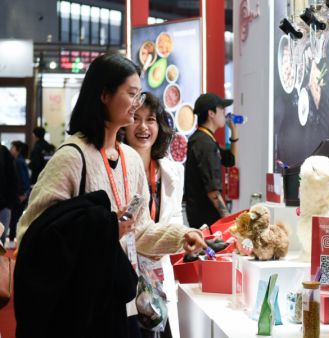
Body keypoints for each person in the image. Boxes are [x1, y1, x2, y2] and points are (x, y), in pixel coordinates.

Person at [16, 53, 205, 337]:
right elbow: (31, 233)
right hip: (80, 305)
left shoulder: (130, 160)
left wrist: (182, 236)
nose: (136, 103)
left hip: (120, 300)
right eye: (131, 94)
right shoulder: (71, 158)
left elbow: (140, 232)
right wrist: (102, 229)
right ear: (104, 94)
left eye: (139, 95)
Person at [123, 93, 180, 338]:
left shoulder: (172, 171)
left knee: (160, 330)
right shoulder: (117, 168)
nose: (143, 126)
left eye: (151, 119)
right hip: (126, 270)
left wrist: (172, 240)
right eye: (136, 118)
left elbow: (175, 215)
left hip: (159, 272)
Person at [184, 92, 239, 229]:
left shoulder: (204, 139)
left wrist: (234, 134)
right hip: (206, 219)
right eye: (222, 109)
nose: (225, 113)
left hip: (202, 216)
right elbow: (213, 191)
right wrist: (228, 221)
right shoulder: (204, 143)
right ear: (211, 113)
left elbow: (230, 161)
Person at [7, 141, 30, 249]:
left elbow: (23, 179)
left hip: (20, 195)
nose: (11, 149)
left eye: (12, 147)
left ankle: (13, 242)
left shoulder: (18, 162)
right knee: (16, 218)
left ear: (17, 149)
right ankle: (14, 241)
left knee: (15, 218)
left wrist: (23, 194)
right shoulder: (19, 161)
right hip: (21, 194)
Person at [0, 144, 19, 245]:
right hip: (5, 204)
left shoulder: (3, 152)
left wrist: (10, 203)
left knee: (1, 242)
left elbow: (13, 179)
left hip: (4, 205)